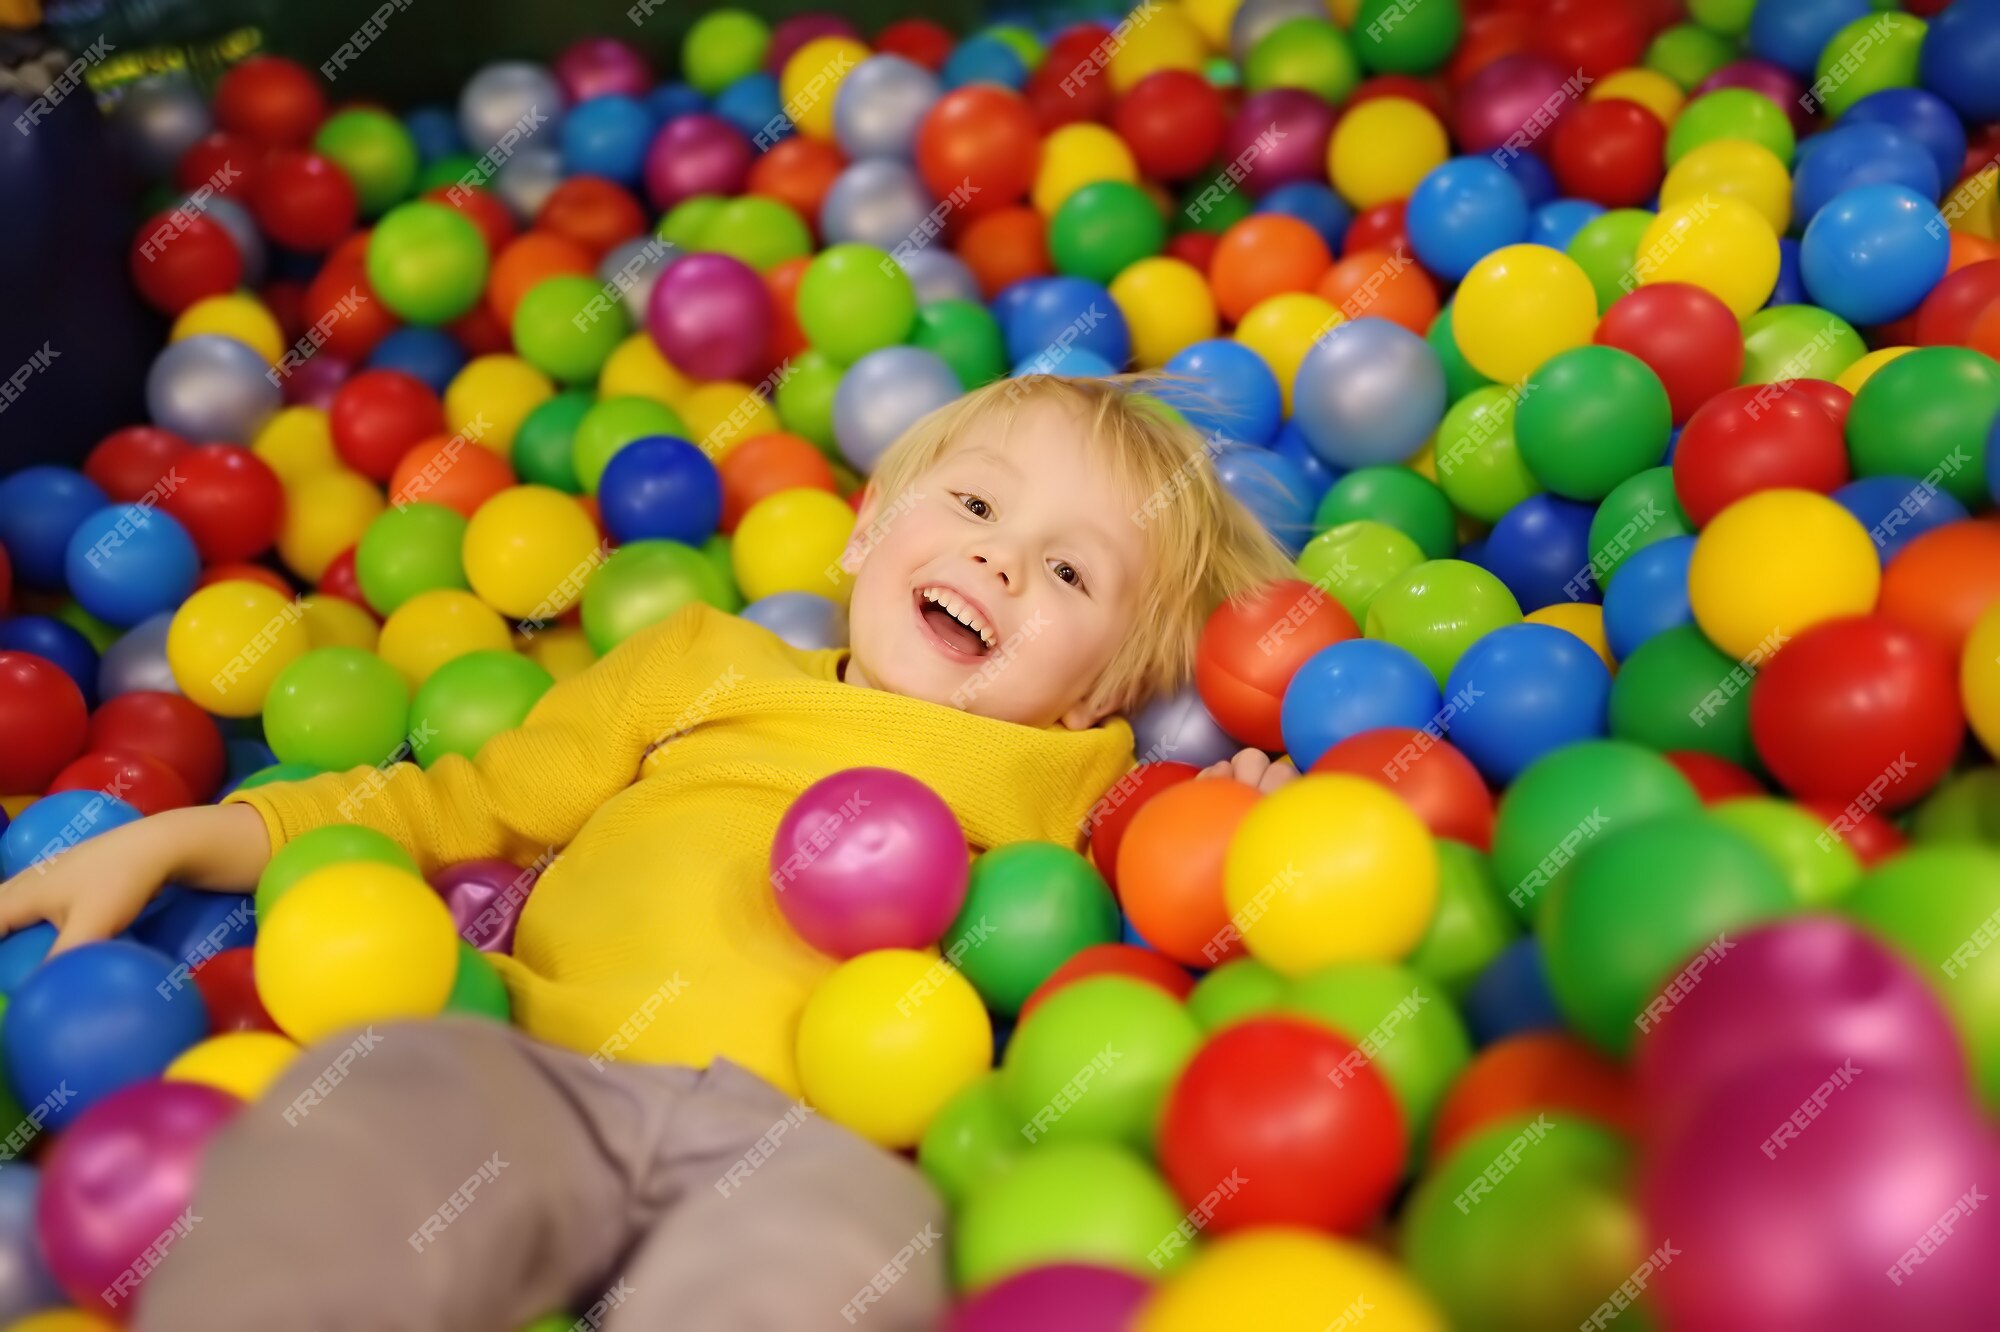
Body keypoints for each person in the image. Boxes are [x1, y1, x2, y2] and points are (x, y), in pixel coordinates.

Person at [1, 374, 1301, 1330]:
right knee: (367, 1113)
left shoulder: (1075, 782)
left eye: (1071, 576)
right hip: (529, 1057)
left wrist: (1250, 822)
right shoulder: (704, 662)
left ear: (1099, 699)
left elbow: (1178, 896)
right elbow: (459, 806)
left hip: (807, 1140)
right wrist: (189, 832)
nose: (999, 561)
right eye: (973, 503)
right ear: (863, 534)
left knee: (860, 1257)